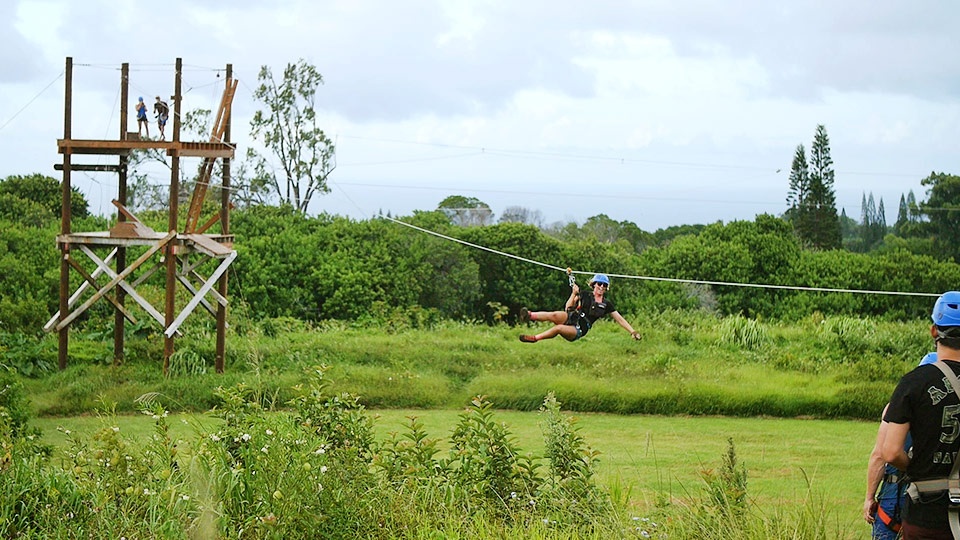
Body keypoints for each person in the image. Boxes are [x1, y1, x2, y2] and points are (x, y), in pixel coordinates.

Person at [882, 291, 960, 539]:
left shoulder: (913, 383)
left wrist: (916, 466)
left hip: (925, 513)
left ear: (933, 331)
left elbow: (891, 451)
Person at [864, 352, 937, 539]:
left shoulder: (899, 405)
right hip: (938, 495)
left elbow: (880, 455)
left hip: (895, 491)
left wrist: (869, 498)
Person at [518, 273, 641, 343]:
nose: (601, 287)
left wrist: (632, 331)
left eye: (604, 285)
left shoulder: (607, 304)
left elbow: (619, 319)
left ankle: (535, 338)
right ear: (594, 285)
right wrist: (574, 293)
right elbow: (568, 307)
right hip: (572, 316)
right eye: (599, 284)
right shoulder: (585, 295)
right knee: (554, 315)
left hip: (579, 328)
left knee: (558, 328)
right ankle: (529, 315)